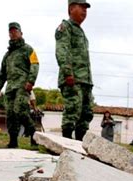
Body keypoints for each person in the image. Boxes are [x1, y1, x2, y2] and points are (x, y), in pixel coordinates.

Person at [0, 22, 39, 148]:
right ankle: (13, 141)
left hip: (22, 85)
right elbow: (2, 72)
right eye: (11, 31)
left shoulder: (28, 49)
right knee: (10, 114)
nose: (13, 33)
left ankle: (34, 134)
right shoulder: (7, 55)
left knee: (20, 111)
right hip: (10, 88)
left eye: (15, 31)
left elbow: (35, 65)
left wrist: (31, 81)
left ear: (21, 33)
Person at [55, 0, 94, 140]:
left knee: (86, 114)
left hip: (85, 80)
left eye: (86, 8)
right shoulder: (65, 27)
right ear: (71, 8)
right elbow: (62, 51)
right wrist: (68, 73)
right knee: (72, 111)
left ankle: (79, 147)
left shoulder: (80, 31)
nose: (84, 11)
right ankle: (66, 145)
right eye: (81, 7)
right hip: (72, 78)